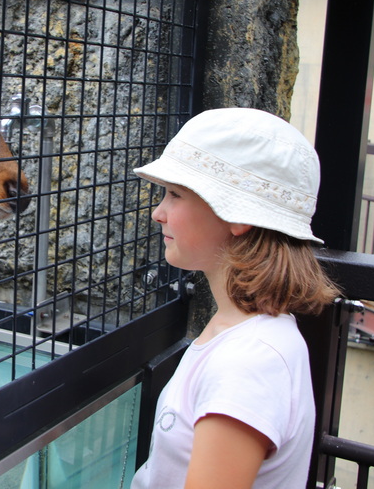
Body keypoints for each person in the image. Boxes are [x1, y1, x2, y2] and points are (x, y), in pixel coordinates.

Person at [130, 108, 339, 489]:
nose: (158, 213)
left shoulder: (249, 363)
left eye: (175, 194)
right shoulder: (242, 330)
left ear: (237, 214)